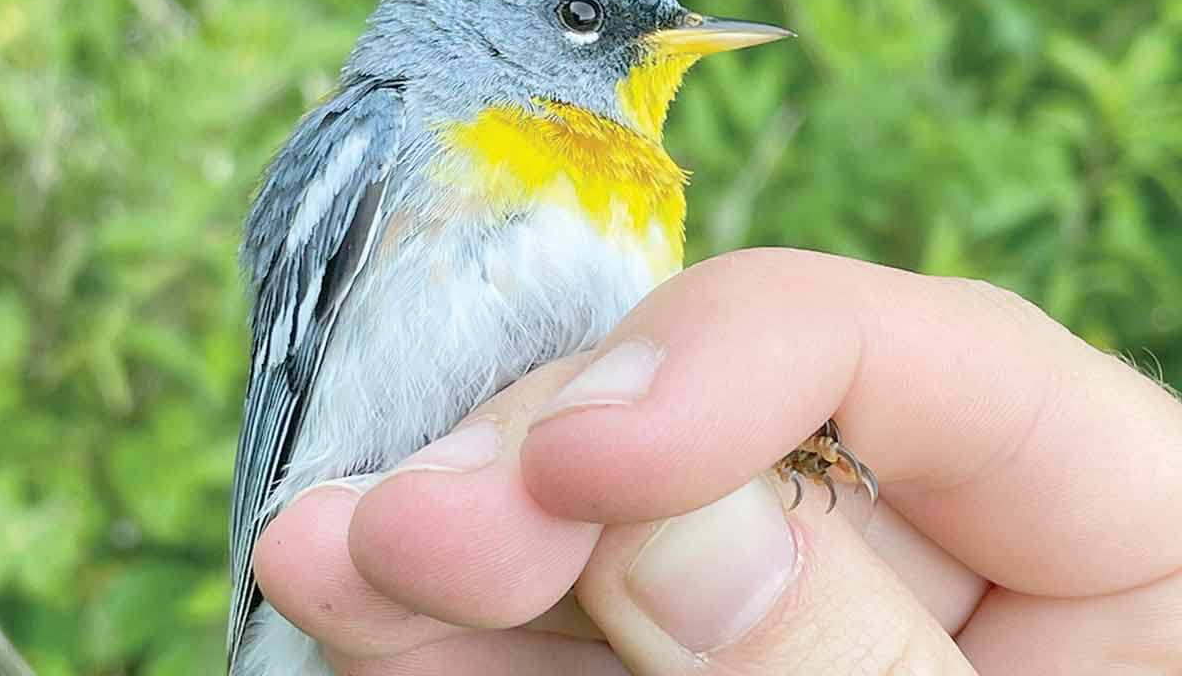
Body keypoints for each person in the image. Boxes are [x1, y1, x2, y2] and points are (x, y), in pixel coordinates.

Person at [251, 249, 1182, 674]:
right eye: (585, 20)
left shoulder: (640, 175)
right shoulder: (396, 128)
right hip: (356, 531)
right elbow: (282, 400)